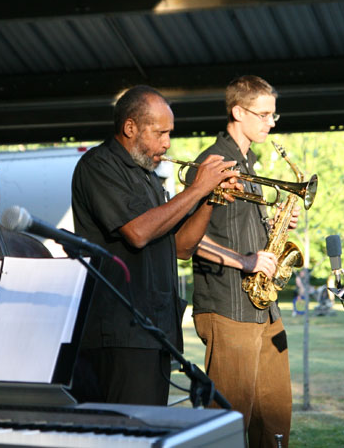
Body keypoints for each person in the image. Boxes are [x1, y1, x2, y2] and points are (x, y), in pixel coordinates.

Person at [70, 85, 241, 406]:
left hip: (154, 329)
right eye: (160, 132)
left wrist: (209, 199)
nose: (167, 143)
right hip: (119, 330)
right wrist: (196, 188)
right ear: (130, 127)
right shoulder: (99, 165)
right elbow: (137, 232)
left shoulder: (148, 175)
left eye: (169, 133)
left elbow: (181, 247)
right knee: (128, 432)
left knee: (152, 426)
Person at [187, 75, 300, 448]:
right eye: (264, 114)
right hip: (228, 306)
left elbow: (238, 230)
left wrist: (275, 226)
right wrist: (245, 261)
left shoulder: (250, 164)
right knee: (231, 421)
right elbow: (186, 237)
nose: (271, 121)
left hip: (263, 308)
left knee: (276, 416)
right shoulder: (210, 164)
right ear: (238, 111)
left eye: (273, 114)